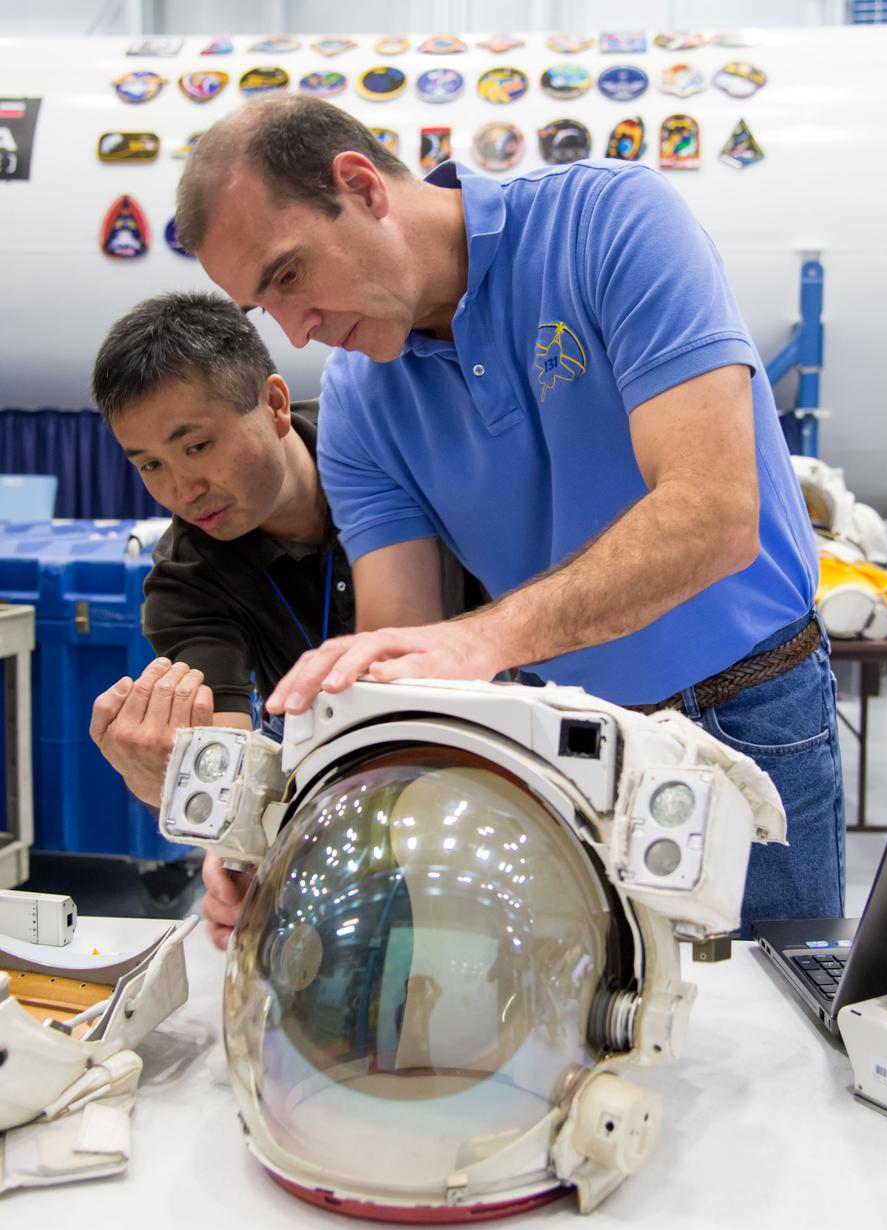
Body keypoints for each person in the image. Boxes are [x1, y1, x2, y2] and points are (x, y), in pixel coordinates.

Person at [175, 94, 845, 935]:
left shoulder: (608, 224)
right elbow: (397, 662)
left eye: (288, 275)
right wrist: (284, 832)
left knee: (780, 1029)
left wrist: (482, 641)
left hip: (747, 714)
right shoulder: (358, 405)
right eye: (263, 307)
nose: (297, 331)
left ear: (361, 186)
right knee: (591, 1039)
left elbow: (713, 513)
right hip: (556, 743)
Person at [87, 292, 461, 945]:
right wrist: (210, 821)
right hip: (352, 817)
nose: (180, 488)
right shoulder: (186, 580)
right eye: (149, 464)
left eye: (197, 445)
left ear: (276, 405)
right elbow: (226, 751)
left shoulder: (400, 447)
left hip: (505, 762)